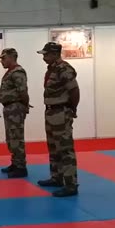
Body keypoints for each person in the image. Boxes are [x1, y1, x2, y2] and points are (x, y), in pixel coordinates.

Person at [36, 42, 80, 197]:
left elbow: (74, 90)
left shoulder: (64, 69)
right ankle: (57, 177)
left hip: (61, 111)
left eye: (46, 54)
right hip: (51, 112)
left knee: (65, 148)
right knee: (53, 147)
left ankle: (70, 184)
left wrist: (71, 109)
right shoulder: (52, 69)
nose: (44, 57)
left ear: (55, 54)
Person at [0, 48, 30, 178]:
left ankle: (21, 167)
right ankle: (15, 163)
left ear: (12, 57)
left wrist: (25, 105)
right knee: (11, 138)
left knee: (16, 137)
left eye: (4, 58)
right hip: (10, 108)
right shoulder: (10, 72)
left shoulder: (18, 72)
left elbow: (23, 91)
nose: (2, 61)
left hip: (15, 108)